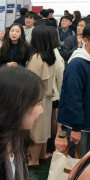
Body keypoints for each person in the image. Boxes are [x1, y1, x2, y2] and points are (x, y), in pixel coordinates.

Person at [56, 22, 90, 157]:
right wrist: (76, 128)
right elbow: (73, 97)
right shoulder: (77, 63)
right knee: (77, 161)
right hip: (79, 125)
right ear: (85, 40)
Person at [25, 25, 64, 167]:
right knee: (44, 127)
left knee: (36, 129)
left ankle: (33, 160)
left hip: (36, 98)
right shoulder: (50, 56)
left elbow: (32, 81)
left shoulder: (36, 58)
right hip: (47, 98)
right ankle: (41, 155)